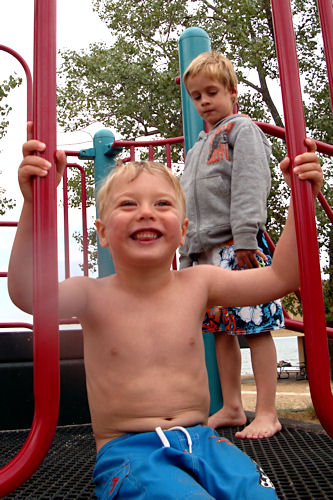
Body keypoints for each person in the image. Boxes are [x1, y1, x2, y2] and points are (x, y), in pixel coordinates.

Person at [8, 122, 322, 499]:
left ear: (183, 229)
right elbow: (28, 294)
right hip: (130, 451)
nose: (146, 213)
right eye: (128, 204)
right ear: (103, 232)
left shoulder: (199, 283)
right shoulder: (90, 295)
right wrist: (34, 202)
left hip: (205, 443)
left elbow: (281, 277)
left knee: (257, 494)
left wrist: (299, 200)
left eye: (162, 204)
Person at [179, 51, 284, 439]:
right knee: (221, 331)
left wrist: (245, 237)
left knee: (256, 327)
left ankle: (268, 411)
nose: (204, 101)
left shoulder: (242, 130)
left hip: (237, 245)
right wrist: (188, 253)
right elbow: (188, 204)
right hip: (206, 254)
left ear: (232, 91)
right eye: (196, 96)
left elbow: (250, 183)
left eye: (211, 92)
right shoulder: (195, 150)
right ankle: (233, 405)